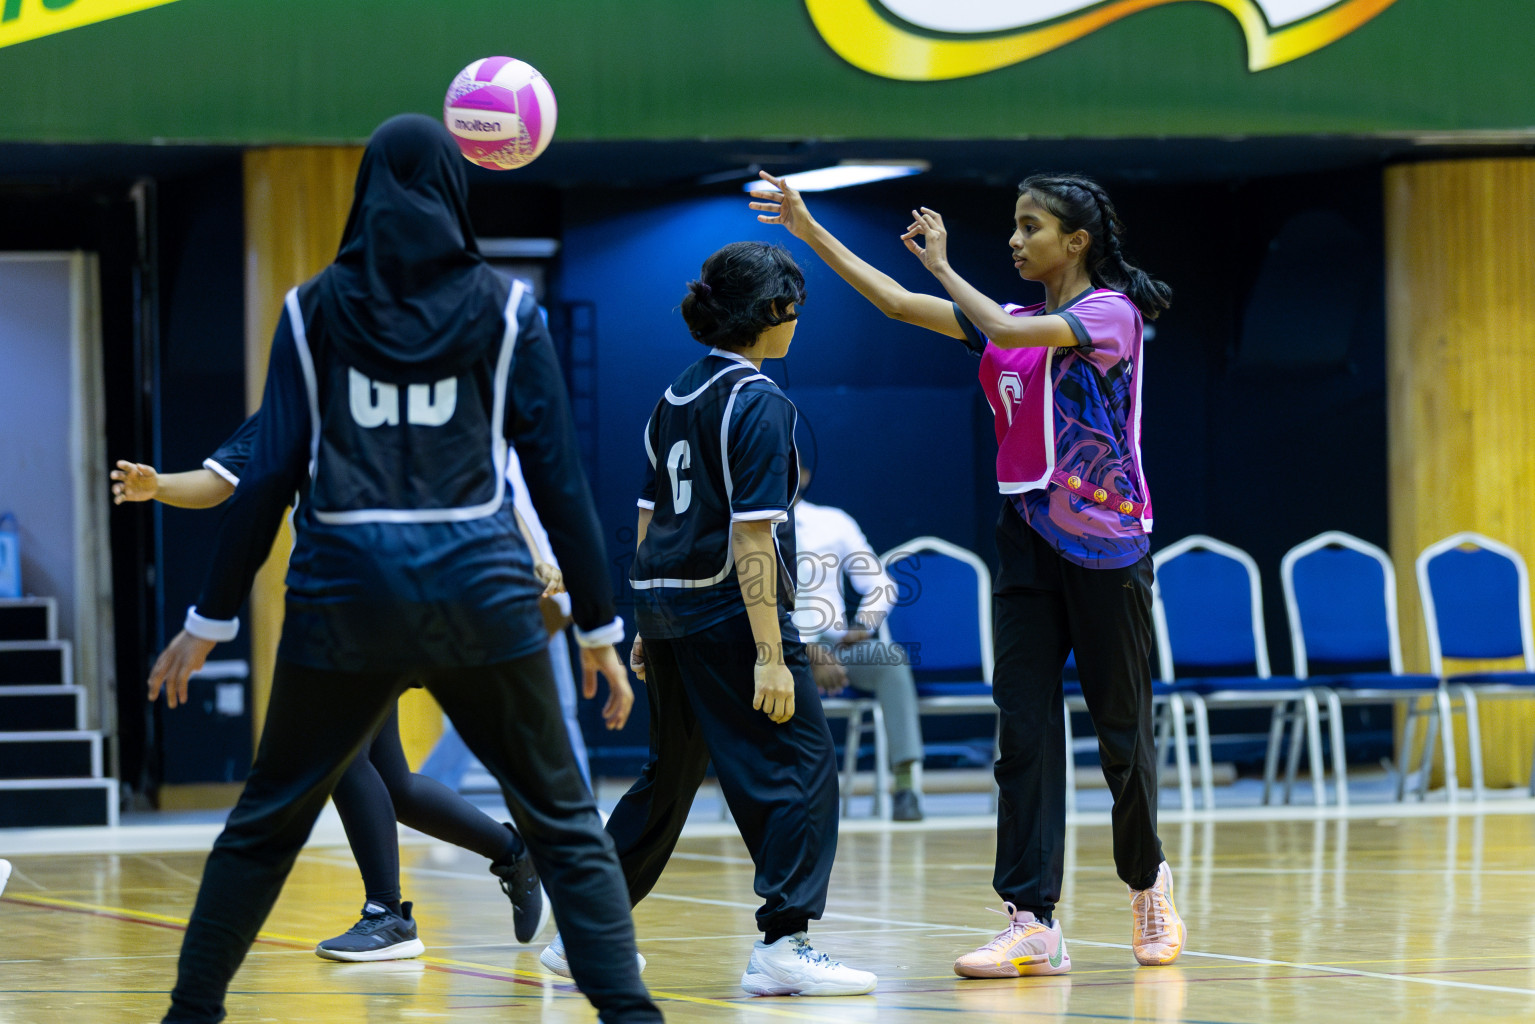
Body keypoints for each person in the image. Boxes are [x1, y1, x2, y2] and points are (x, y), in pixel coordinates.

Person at [143, 114, 660, 1024]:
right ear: (456, 193)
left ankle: (189, 1013)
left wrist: (206, 620)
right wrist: (599, 628)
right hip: (479, 593)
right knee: (566, 825)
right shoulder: (507, 310)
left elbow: (266, 476)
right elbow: (561, 483)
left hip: (344, 594)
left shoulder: (311, 309)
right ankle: (630, 1014)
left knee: (264, 826)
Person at [751, 170, 1185, 976]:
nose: (1015, 240)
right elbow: (892, 301)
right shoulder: (1013, 321)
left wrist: (946, 268)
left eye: (1030, 227)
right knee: (1020, 735)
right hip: (1024, 541)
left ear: (1075, 241)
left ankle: (1146, 880)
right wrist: (808, 230)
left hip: (1108, 545)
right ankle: (1032, 921)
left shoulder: (1107, 315)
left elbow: (1006, 331)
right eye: (1014, 227)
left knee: (1121, 738)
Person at [540, 241, 877, 997]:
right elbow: (752, 536)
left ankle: (582, 931)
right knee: (800, 769)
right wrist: (769, 654)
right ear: (777, 313)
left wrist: (640, 621)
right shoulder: (758, 402)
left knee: (669, 777)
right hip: (729, 610)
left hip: (667, 607)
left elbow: (646, 516)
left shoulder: (675, 397)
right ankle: (784, 946)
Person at [114, 422, 559, 961]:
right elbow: (224, 480)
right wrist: (157, 484)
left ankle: (388, 915)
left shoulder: (412, 392)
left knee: (336, 752)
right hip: (339, 606)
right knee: (389, 782)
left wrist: (531, 550)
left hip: (397, 597)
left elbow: (483, 479)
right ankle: (513, 852)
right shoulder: (299, 396)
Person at [793, 466, 926, 820]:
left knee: (890, 660)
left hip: (835, 644)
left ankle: (905, 785)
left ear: (803, 475)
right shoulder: (742, 526)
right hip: (773, 649)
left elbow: (881, 585)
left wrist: (864, 624)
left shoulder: (833, 522)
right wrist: (805, 649)